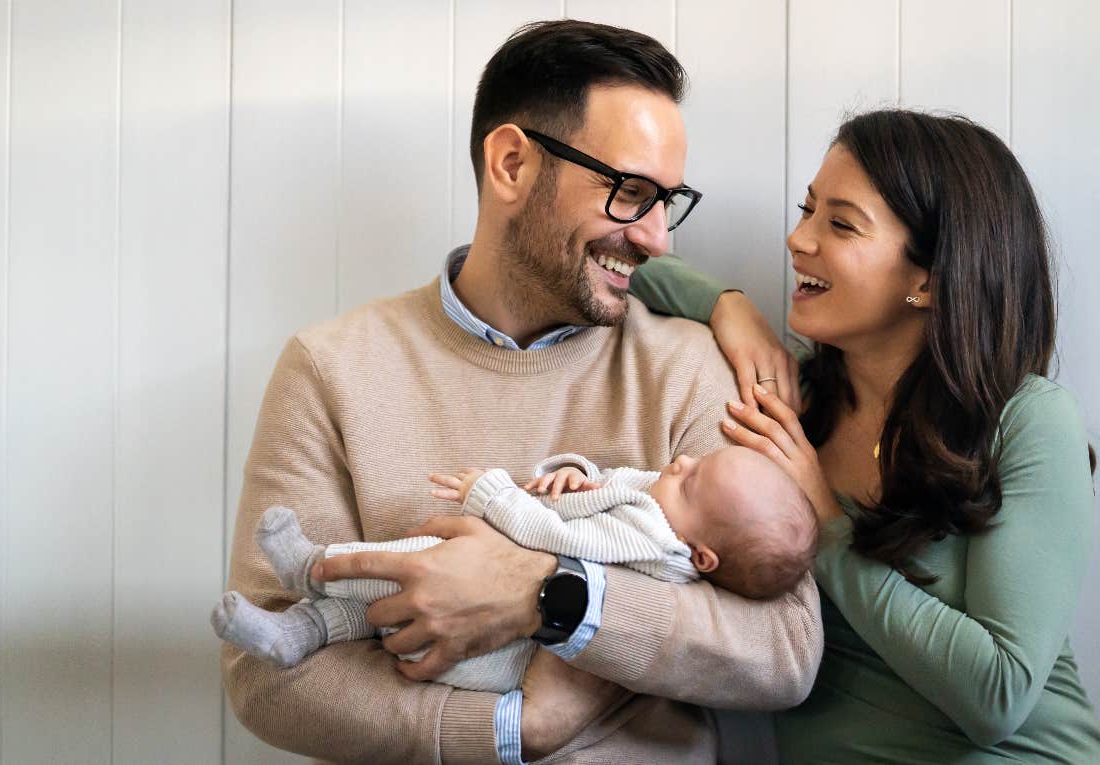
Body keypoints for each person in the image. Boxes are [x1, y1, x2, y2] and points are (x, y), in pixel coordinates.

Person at [222, 19, 821, 765]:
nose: (660, 238)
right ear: (511, 164)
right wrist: (517, 728)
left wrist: (548, 592)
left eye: (669, 200)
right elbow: (266, 673)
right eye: (632, 193)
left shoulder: (691, 369)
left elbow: (785, 648)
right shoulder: (330, 368)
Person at [629, 109, 1100, 762]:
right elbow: (640, 272)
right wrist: (730, 307)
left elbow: (997, 694)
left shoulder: (1026, 419)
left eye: (840, 223)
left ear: (927, 280)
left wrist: (825, 521)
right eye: (807, 210)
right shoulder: (793, 401)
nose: (799, 239)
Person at [212, 446, 817, 687]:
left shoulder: (653, 537)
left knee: (414, 564)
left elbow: (552, 535)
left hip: (496, 653)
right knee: (376, 618)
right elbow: (603, 492)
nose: (681, 459)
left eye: (695, 478)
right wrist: (574, 472)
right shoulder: (671, 513)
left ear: (702, 555)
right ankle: (298, 632)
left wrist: (491, 494)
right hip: (495, 650)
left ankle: (311, 569)